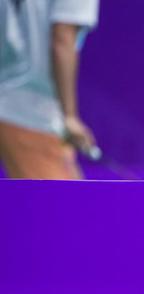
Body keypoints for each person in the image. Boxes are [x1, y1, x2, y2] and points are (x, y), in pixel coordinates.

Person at [0, 0, 99, 179]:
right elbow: (62, 38)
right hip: (31, 115)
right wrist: (69, 116)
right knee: (64, 197)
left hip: (13, 104)